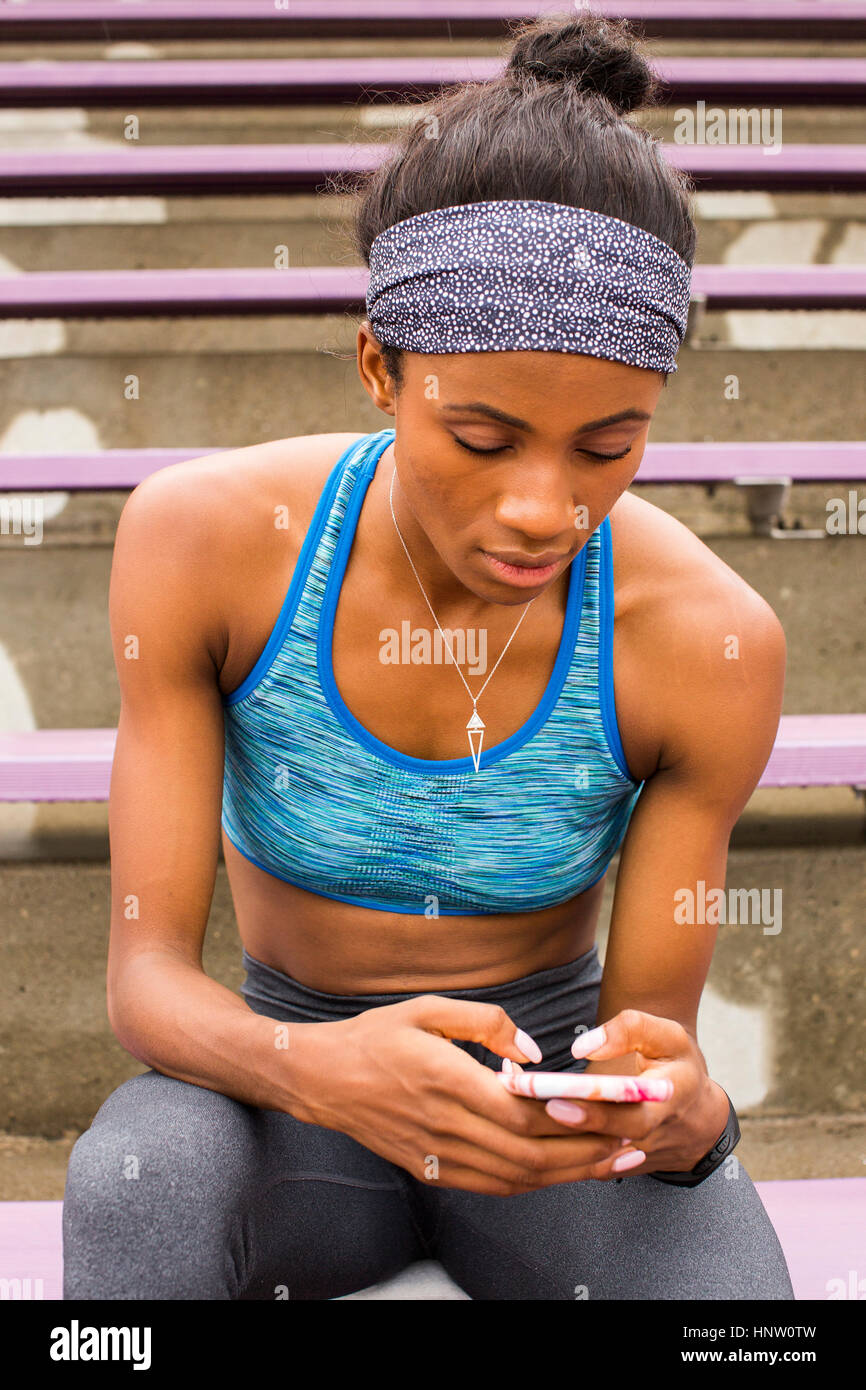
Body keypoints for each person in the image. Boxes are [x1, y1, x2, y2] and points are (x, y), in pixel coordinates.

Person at [62, 10, 795, 1300]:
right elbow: (146, 984)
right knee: (139, 1189)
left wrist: (677, 1107)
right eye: (483, 435)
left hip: (538, 1109)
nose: (541, 507)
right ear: (377, 367)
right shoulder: (210, 542)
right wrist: (313, 1067)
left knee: (737, 1315)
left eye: (608, 444)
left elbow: (655, 1042)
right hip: (280, 1086)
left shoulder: (704, 640)